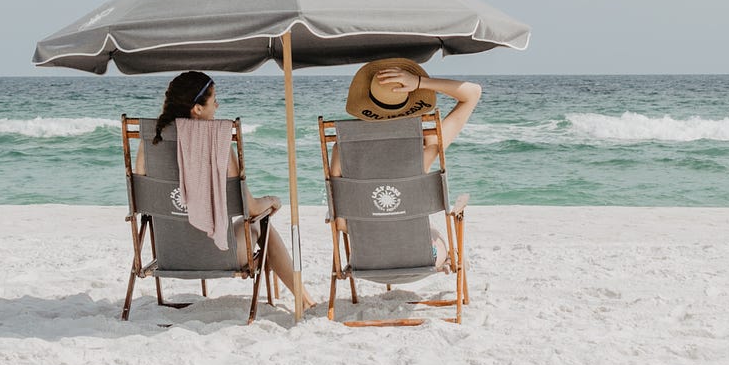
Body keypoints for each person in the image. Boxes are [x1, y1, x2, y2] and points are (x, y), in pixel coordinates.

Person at [135, 71, 317, 311]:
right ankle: (305, 300)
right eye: (214, 100)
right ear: (197, 109)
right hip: (220, 255)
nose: (218, 105)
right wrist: (272, 201)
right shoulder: (218, 143)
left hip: (169, 254)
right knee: (262, 226)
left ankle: (305, 299)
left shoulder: (150, 143)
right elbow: (249, 208)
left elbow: (142, 199)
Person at [333, 57, 482, 267]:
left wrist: (379, 218)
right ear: (410, 101)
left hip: (367, 261)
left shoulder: (342, 149)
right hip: (423, 259)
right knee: (436, 235)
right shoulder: (427, 147)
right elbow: (473, 93)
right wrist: (421, 82)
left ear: (367, 99)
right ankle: (451, 257)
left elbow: (340, 223)